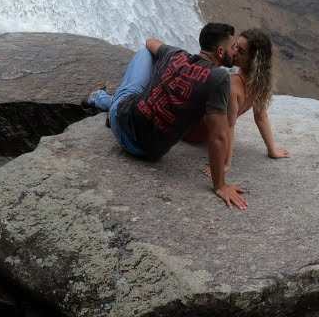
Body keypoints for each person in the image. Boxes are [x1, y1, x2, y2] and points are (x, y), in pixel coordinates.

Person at [87, 30, 248, 209]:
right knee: (136, 94)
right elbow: (219, 135)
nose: (235, 51)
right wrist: (220, 186)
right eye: (233, 47)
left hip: (122, 122)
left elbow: (149, 42)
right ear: (220, 52)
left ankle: (98, 98)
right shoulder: (218, 78)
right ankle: (103, 101)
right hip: (148, 152)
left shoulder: (175, 54)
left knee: (144, 54)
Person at [197, 28, 291, 179]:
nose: (234, 52)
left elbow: (228, 126)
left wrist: (225, 163)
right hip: (210, 129)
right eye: (235, 46)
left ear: (253, 60)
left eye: (241, 51)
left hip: (198, 131)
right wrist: (272, 150)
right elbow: (261, 117)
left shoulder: (232, 84)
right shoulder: (259, 84)